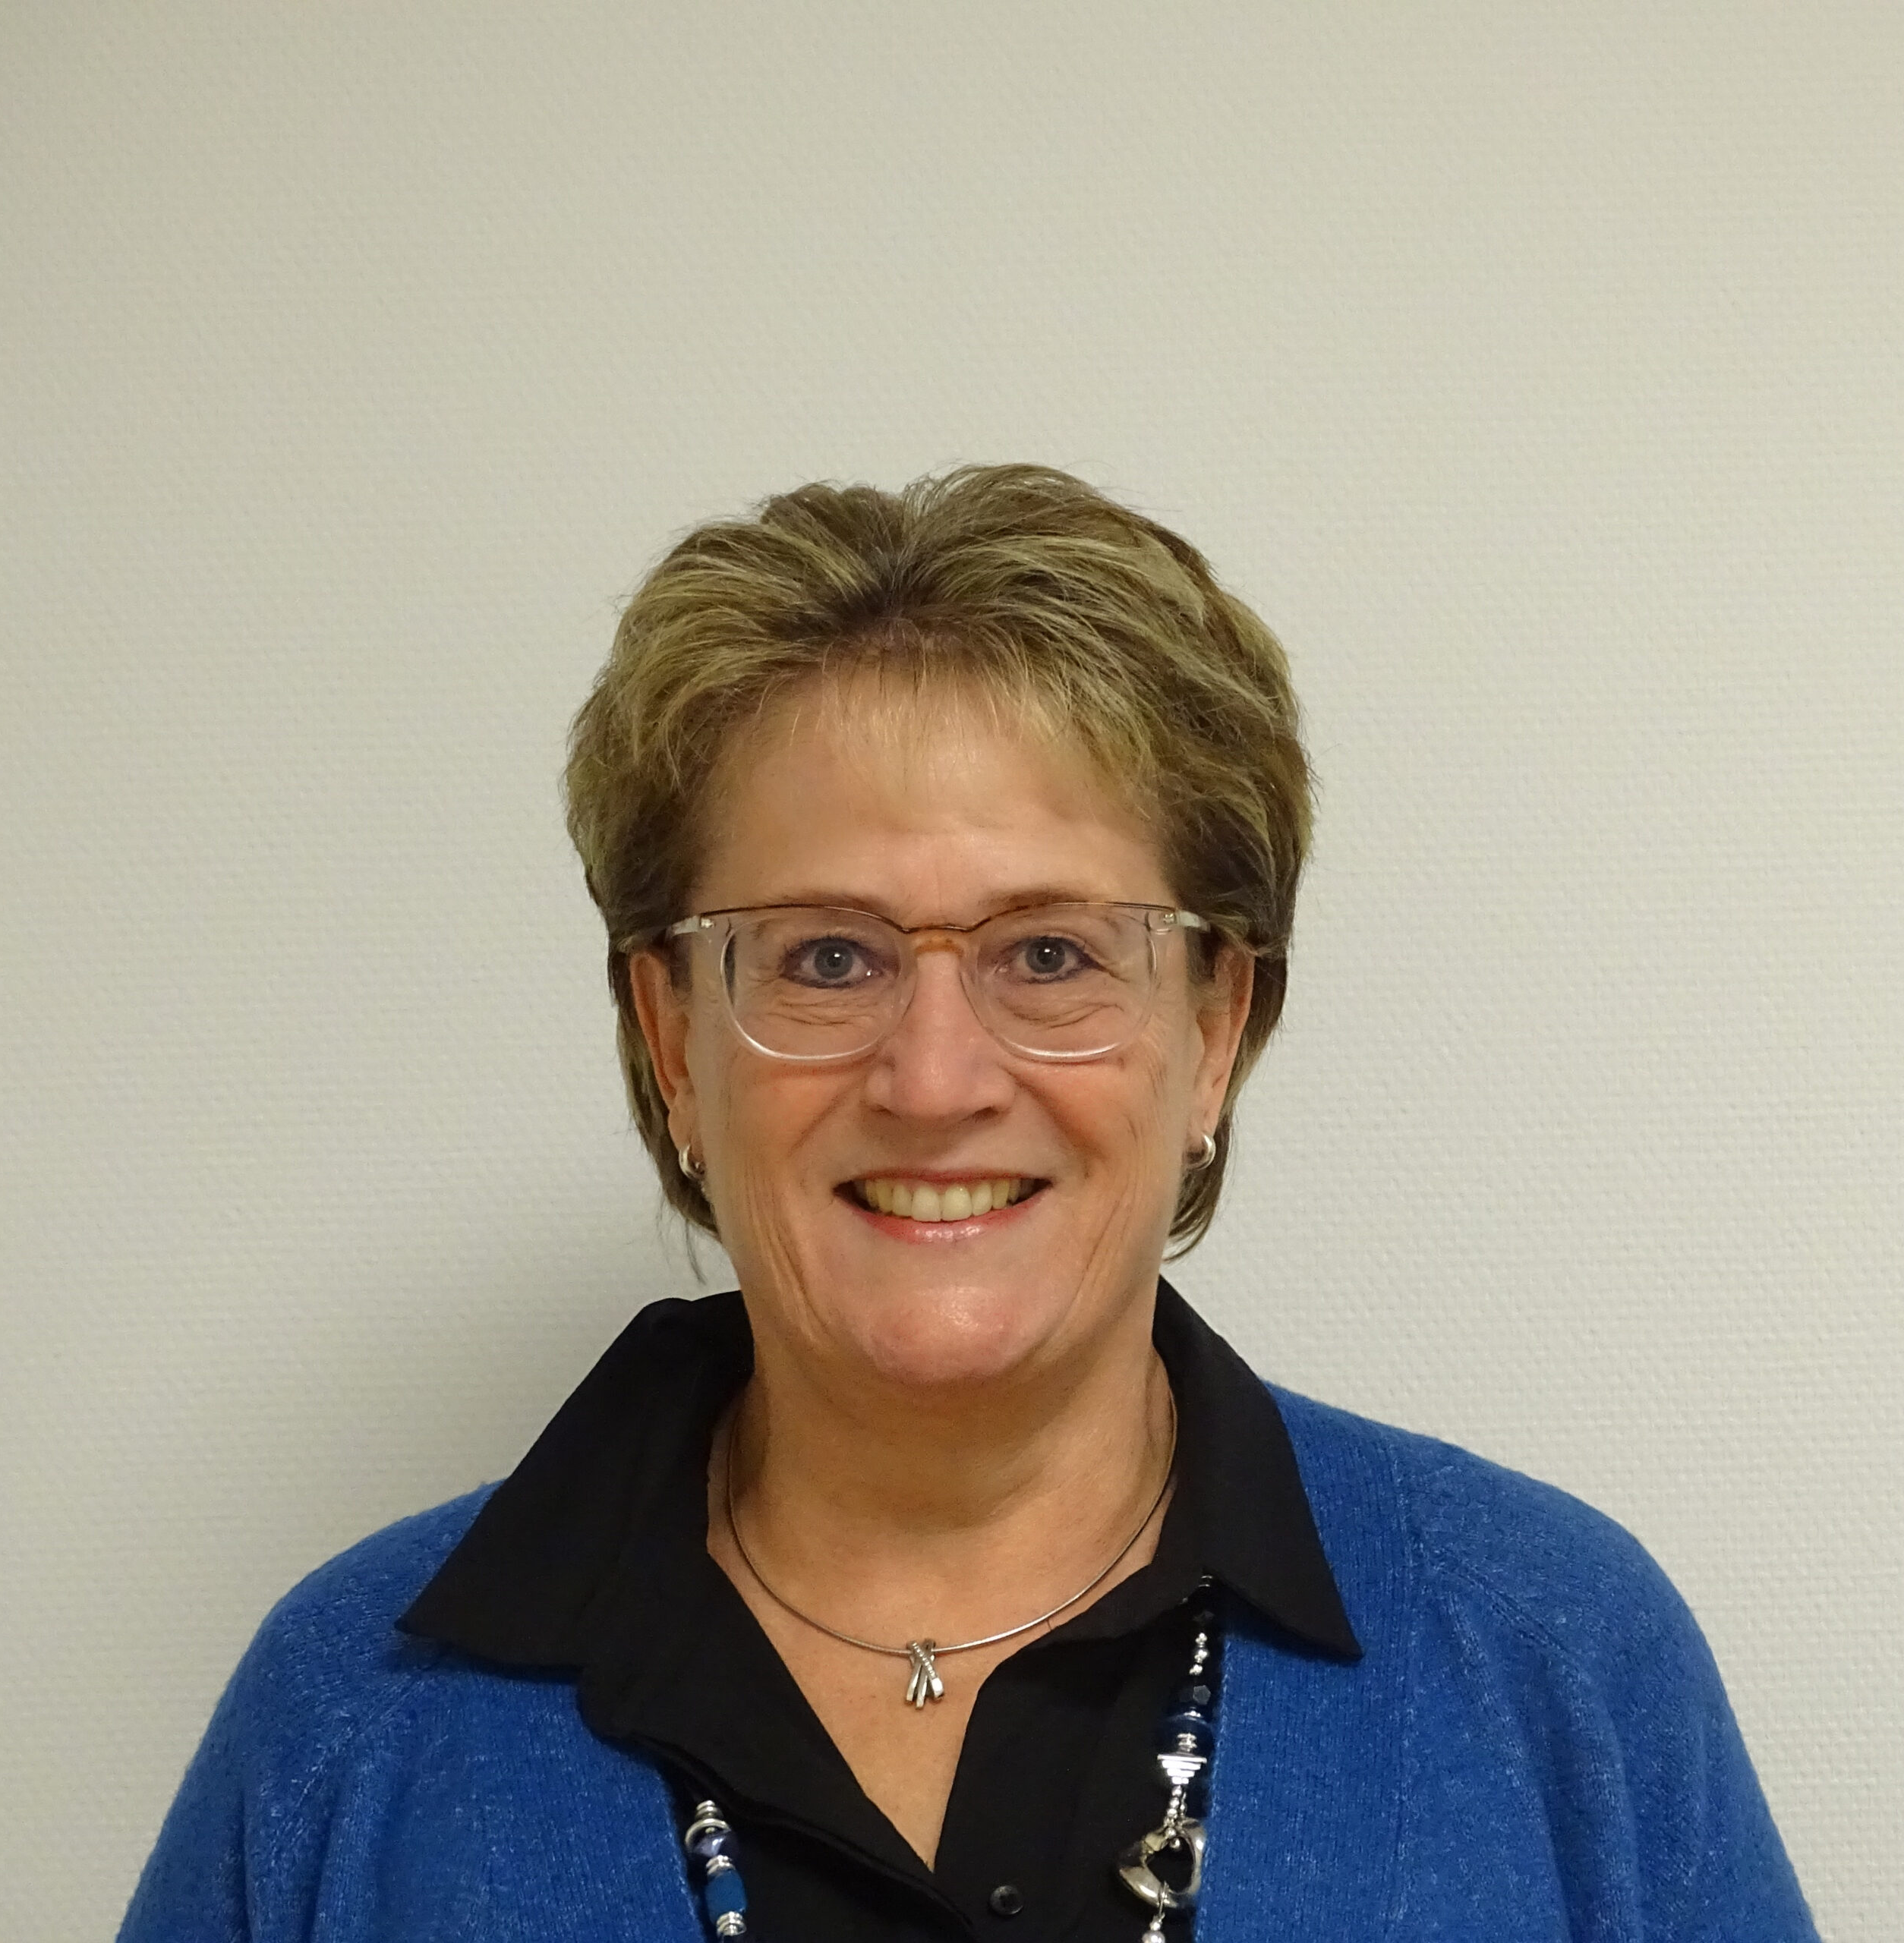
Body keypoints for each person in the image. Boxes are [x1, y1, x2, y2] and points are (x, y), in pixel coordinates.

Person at [120, 466, 1817, 1941]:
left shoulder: (1552, 1659)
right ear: (672, 1038)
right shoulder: (349, 1719)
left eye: (1052, 954)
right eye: (827, 957)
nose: (934, 1076)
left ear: (1215, 1027)